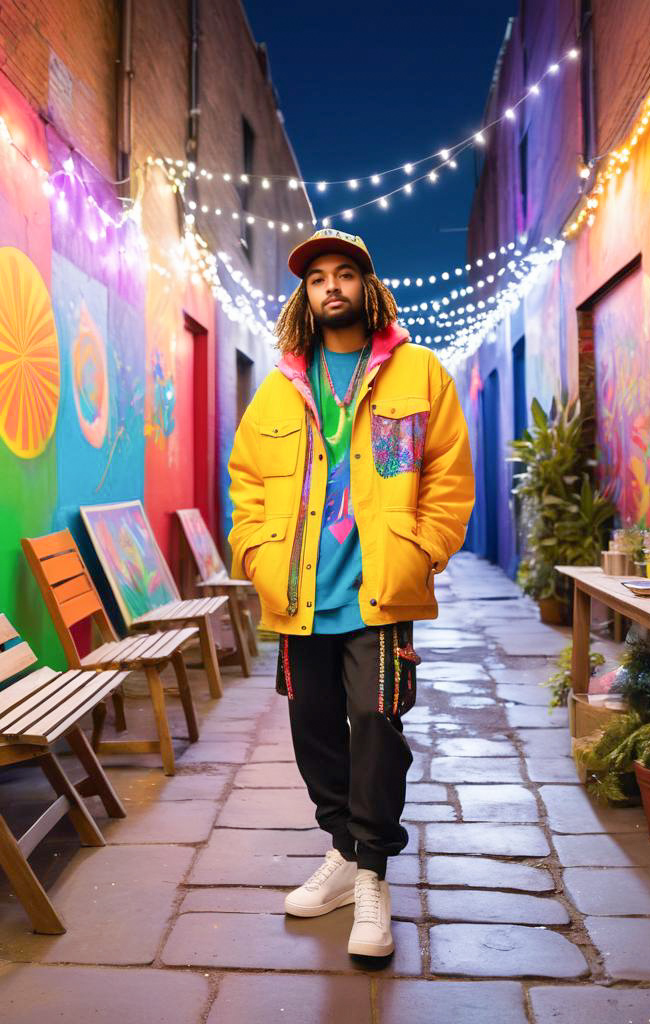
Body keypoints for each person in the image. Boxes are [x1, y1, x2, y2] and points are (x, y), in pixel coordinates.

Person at [227, 228, 474, 958]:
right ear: (305, 296)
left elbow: (449, 479)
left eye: (344, 274)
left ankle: (371, 875)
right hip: (301, 597)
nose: (330, 286)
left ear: (368, 287)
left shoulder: (419, 373)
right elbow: (243, 483)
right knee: (314, 737)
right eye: (316, 278)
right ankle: (341, 852)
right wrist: (253, 554)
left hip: (378, 596)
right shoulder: (280, 387)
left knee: (375, 725)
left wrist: (421, 551)